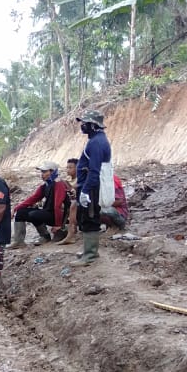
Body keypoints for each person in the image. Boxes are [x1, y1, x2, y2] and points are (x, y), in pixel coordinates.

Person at [72, 109, 113, 267]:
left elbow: (94, 170)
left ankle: (90, 255)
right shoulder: (97, 140)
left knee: (90, 218)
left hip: (91, 188)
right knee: (86, 218)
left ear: (93, 125)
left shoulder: (96, 143)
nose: (82, 125)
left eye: (85, 123)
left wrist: (85, 191)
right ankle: (88, 251)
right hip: (89, 186)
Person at [6, 161, 69, 249]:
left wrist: (58, 224)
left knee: (34, 214)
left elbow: (58, 205)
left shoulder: (59, 184)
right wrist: (16, 209)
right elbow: (33, 199)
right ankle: (19, 241)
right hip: (49, 213)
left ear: (52, 172)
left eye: (44, 172)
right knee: (21, 213)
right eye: (41, 172)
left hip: (60, 216)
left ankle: (47, 235)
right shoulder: (45, 186)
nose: (42, 174)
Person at [57, 158, 80, 245]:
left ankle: (71, 234)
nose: (68, 170)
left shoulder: (80, 179)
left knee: (73, 205)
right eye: (67, 168)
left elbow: (74, 191)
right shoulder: (68, 179)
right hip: (68, 202)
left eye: (70, 168)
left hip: (78, 203)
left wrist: (66, 184)